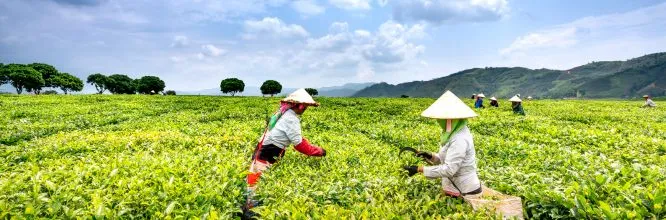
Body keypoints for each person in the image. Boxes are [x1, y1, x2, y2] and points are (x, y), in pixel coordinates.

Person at [242, 88, 327, 217]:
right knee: (256, 186)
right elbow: (300, 145)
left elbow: (296, 138)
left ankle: (247, 210)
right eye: (305, 107)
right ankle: (250, 214)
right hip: (267, 154)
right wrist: (319, 151)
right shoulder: (291, 119)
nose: (305, 109)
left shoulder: (283, 113)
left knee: (253, 182)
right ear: (298, 105)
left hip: (263, 151)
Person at [402, 90, 483, 198]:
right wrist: (430, 156)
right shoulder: (451, 133)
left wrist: (419, 169)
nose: (438, 121)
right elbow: (446, 159)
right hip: (453, 187)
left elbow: (449, 169)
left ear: (449, 119)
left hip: (465, 191)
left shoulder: (459, 138)